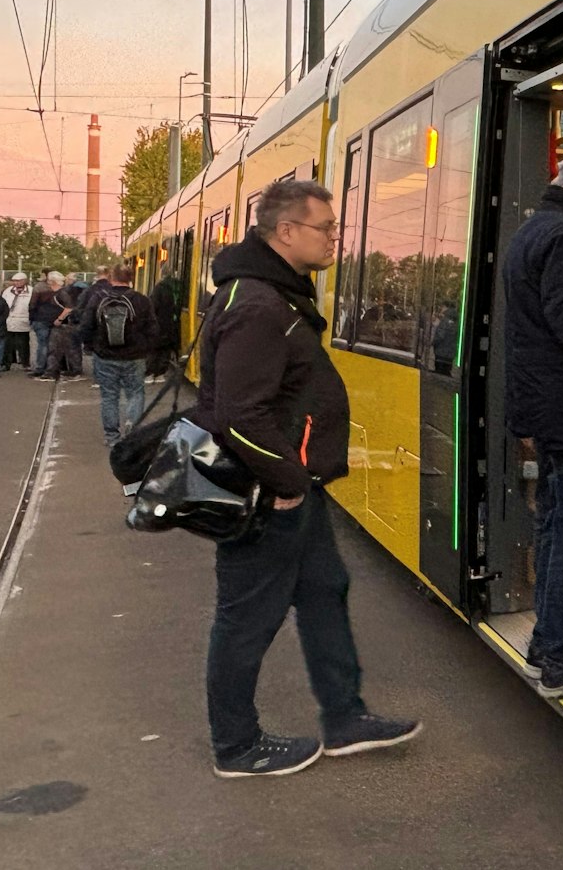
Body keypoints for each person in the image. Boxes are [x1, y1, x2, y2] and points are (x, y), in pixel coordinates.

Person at [196, 178, 419, 777]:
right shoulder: (256, 305)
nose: (334, 239)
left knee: (325, 590)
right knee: (246, 617)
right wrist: (288, 481)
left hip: (294, 490)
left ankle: (345, 717)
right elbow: (239, 413)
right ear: (286, 231)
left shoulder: (274, 295)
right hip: (267, 494)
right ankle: (237, 747)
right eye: (326, 228)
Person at [501, 147, 563, 699]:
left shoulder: (529, 232)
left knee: (552, 518)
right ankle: (559, 659)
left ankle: (541, 647)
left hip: (534, 402)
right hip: (561, 405)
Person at [77, 264, 155, 447]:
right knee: (135, 393)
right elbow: (153, 329)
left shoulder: (98, 298)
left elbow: (86, 326)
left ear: (111, 278)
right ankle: (133, 431)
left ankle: (112, 437)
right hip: (134, 357)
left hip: (105, 356)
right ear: (131, 278)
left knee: (109, 396)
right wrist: (145, 349)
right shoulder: (142, 300)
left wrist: (91, 346)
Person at [147, 269, 182, 383]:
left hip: (159, 325)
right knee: (165, 350)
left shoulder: (159, 288)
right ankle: (160, 374)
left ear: (162, 275)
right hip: (171, 326)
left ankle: (150, 373)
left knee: (154, 350)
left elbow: (152, 307)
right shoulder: (177, 288)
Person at [28, 273, 65, 378]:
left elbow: (32, 304)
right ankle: (52, 368)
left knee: (42, 344)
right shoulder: (61, 291)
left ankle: (40, 367)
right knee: (53, 345)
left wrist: (31, 318)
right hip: (54, 320)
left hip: (40, 318)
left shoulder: (39, 288)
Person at [0, 273, 34, 372]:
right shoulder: (8, 291)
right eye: (14, 281)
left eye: (18, 281)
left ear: (24, 281)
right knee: (7, 344)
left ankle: (25, 363)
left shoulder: (31, 291)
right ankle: (6, 363)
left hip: (23, 320)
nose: (16, 283)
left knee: (23, 344)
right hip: (9, 320)